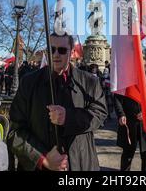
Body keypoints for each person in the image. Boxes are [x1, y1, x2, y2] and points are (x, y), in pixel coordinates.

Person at [8, 33, 107, 171]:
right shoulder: (29, 82)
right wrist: (42, 158)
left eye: (62, 50)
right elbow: (15, 131)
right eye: (51, 49)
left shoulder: (90, 81)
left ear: (72, 52)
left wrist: (69, 117)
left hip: (80, 163)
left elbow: (100, 113)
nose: (55, 54)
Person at [114, 92, 146, 171]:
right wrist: (121, 114)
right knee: (128, 154)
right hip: (129, 123)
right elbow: (117, 98)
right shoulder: (124, 80)